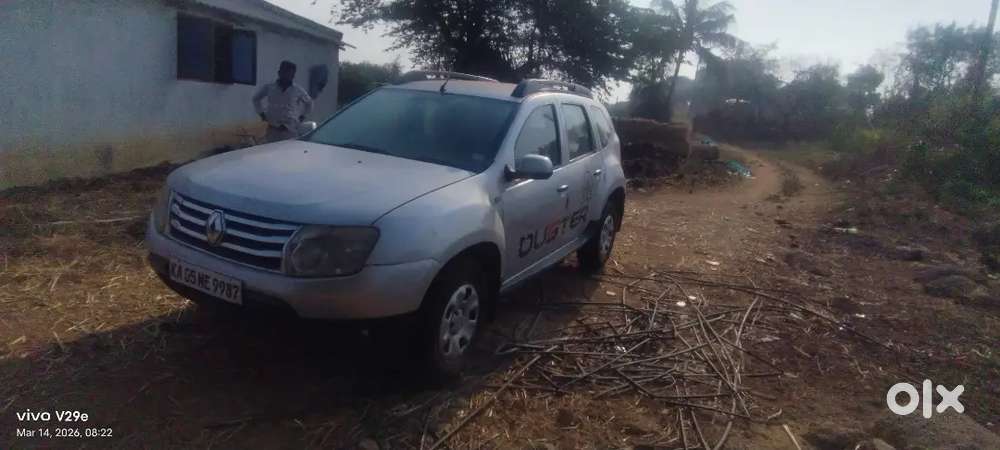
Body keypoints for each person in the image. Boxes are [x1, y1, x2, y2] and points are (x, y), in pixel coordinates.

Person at [252, 61, 313, 143]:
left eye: (291, 74)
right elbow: (256, 98)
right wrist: (262, 114)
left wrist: (302, 117)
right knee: (271, 152)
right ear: (279, 73)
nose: (288, 76)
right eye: (286, 73)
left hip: (290, 130)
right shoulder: (269, 87)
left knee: (288, 153)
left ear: (293, 75)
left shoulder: (297, 90)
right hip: (273, 128)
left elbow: (309, 103)